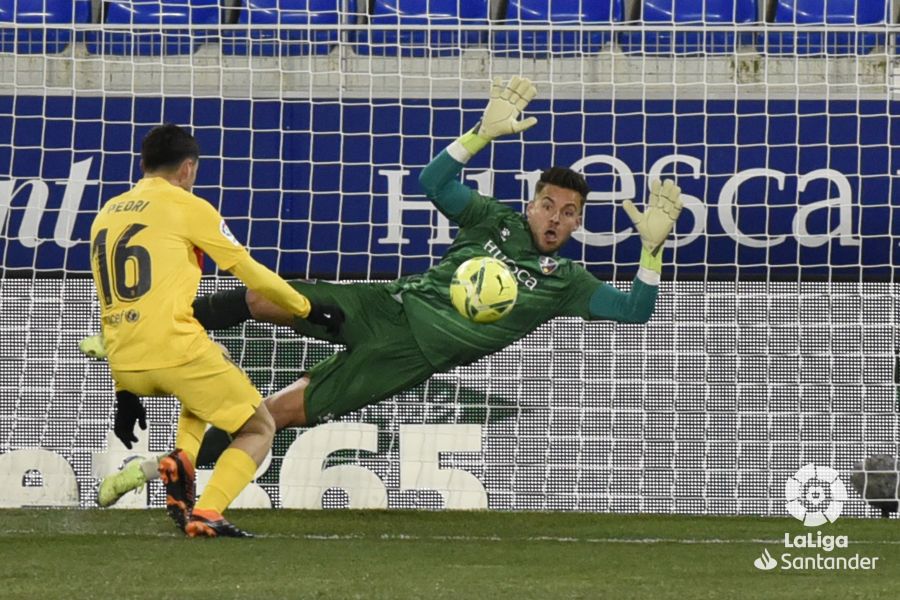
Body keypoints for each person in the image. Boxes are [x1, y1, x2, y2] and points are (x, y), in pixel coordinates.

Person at [92, 77, 683, 504]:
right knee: (263, 297)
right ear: (530, 204)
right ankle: (158, 324)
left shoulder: (568, 283)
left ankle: (156, 470)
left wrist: (651, 252)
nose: (555, 218)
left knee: (272, 415)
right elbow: (433, 181)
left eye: (569, 212)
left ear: (578, 224)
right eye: (548, 204)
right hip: (385, 303)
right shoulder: (491, 220)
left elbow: (633, 310)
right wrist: (480, 133)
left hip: (407, 357)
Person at [88, 123, 341, 536]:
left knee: (212, 364)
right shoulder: (189, 207)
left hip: (126, 360)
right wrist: (306, 307)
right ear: (187, 169)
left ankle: (181, 460)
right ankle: (208, 512)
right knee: (260, 426)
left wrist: (124, 391)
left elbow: (111, 303)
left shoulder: (106, 214)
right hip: (174, 351)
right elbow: (251, 274)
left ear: (143, 163)